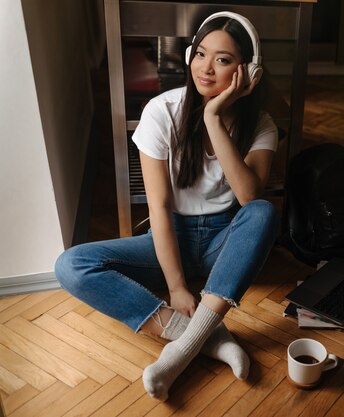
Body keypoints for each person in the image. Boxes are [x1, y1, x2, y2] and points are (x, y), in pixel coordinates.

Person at [54, 11, 279, 401]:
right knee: (70, 265)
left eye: (223, 60)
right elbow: (157, 206)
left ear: (249, 73)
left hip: (222, 243)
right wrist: (176, 287)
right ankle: (203, 338)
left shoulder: (261, 124)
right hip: (168, 237)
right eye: (201, 54)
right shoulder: (162, 112)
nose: (206, 68)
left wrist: (212, 117)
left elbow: (248, 198)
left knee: (263, 211)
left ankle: (180, 353)